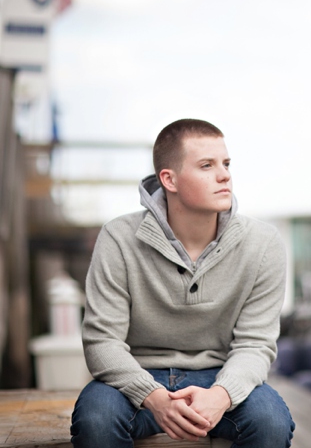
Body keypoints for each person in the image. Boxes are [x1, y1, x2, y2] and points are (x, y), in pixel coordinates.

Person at [70, 119, 294, 448]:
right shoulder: (119, 238)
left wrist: (221, 395)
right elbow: (102, 341)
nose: (224, 175)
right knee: (96, 420)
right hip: (135, 378)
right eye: (207, 165)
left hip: (220, 376)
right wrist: (154, 397)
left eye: (226, 164)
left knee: (271, 422)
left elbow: (256, 345)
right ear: (169, 179)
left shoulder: (263, 243)